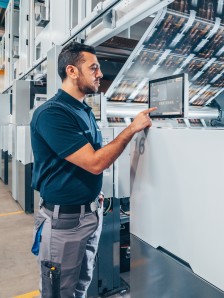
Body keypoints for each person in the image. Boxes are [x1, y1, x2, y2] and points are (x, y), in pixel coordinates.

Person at [30, 41, 156, 298]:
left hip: (89, 214)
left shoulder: (84, 110)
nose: (100, 74)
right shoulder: (52, 113)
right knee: (59, 292)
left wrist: (91, 195)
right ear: (72, 71)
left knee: (80, 286)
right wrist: (131, 129)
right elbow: (95, 162)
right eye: (93, 68)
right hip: (64, 223)